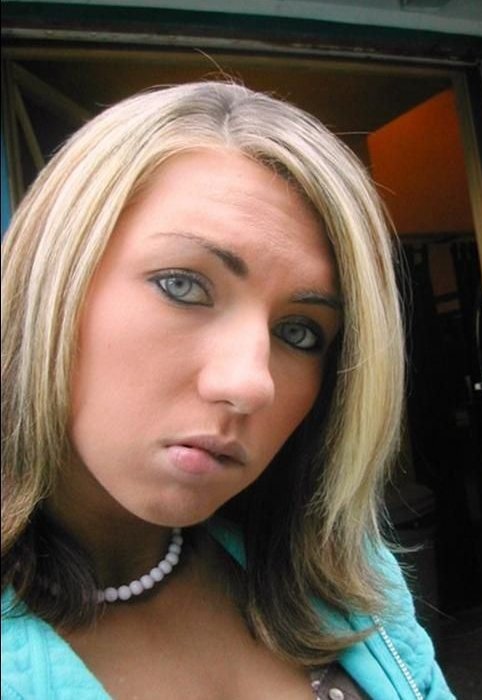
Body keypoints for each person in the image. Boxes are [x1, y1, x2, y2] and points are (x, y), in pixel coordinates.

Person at [1, 80, 454, 699]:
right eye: (183, 285)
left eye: (299, 332)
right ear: (54, 282)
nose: (248, 383)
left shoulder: (343, 573)